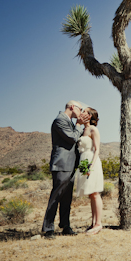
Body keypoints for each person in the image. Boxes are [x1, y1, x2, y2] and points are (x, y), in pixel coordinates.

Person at [42, 100, 89, 239]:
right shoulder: (59, 120)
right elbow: (72, 137)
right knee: (56, 196)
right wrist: (79, 124)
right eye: (80, 109)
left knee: (66, 197)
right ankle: (48, 228)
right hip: (61, 164)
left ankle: (65, 225)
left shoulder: (69, 122)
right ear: (72, 107)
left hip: (70, 164)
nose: (81, 113)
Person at [75, 107, 104, 235]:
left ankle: (98, 224)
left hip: (92, 161)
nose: (82, 112)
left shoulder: (93, 129)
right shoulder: (82, 130)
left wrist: (91, 166)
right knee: (91, 194)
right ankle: (93, 223)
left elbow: (97, 149)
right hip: (83, 161)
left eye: (85, 111)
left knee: (95, 193)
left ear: (90, 115)